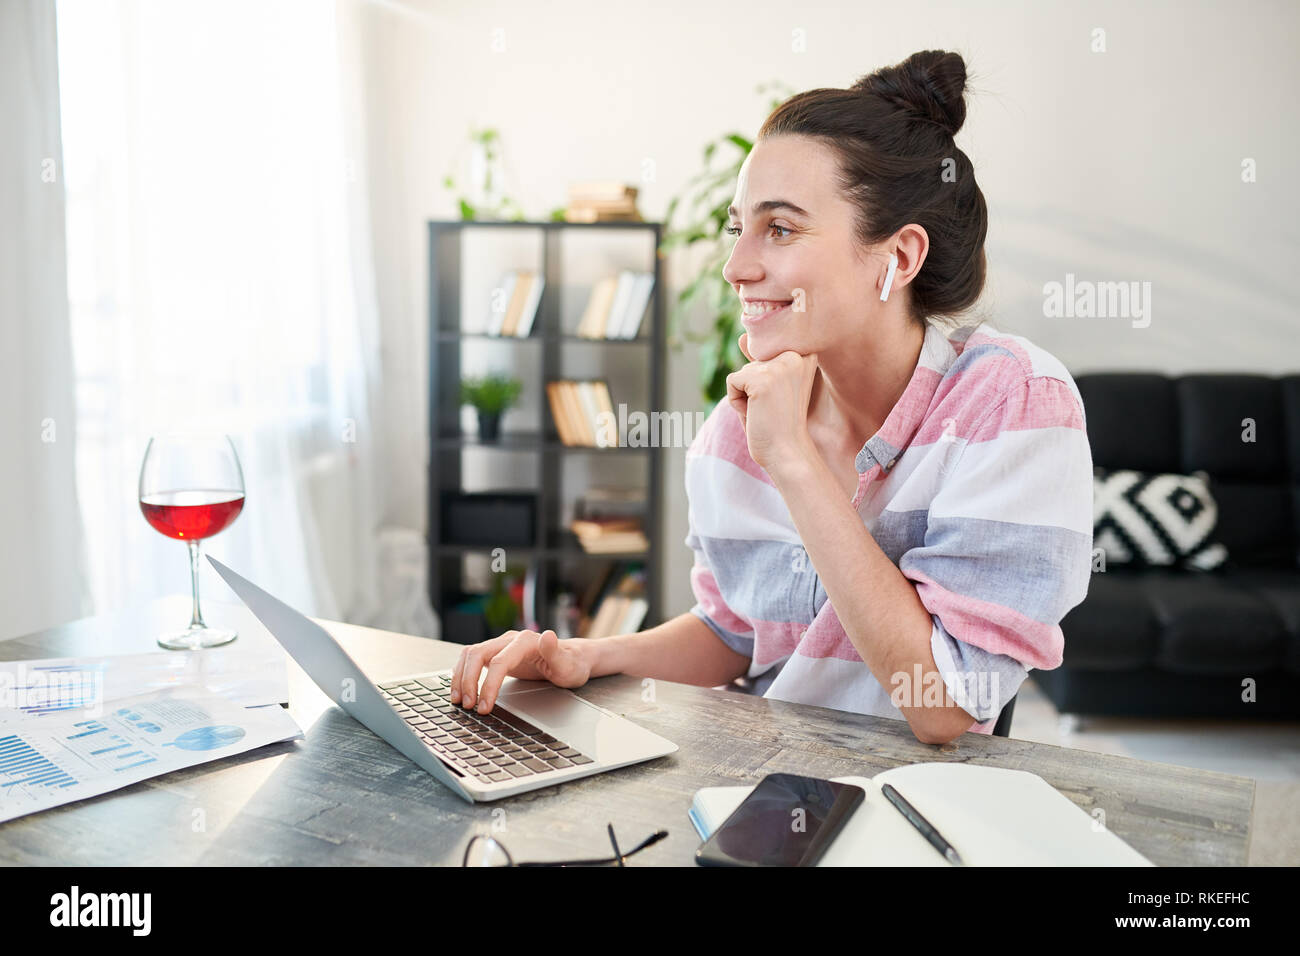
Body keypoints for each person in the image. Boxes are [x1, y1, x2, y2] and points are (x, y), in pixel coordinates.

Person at [449, 49, 1093, 745]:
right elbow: (736, 631)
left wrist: (793, 462)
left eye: (779, 229)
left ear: (899, 258)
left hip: (912, 803)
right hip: (755, 777)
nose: (735, 267)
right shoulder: (738, 428)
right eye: (738, 227)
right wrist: (586, 656)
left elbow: (943, 705)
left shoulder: (1010, 406)